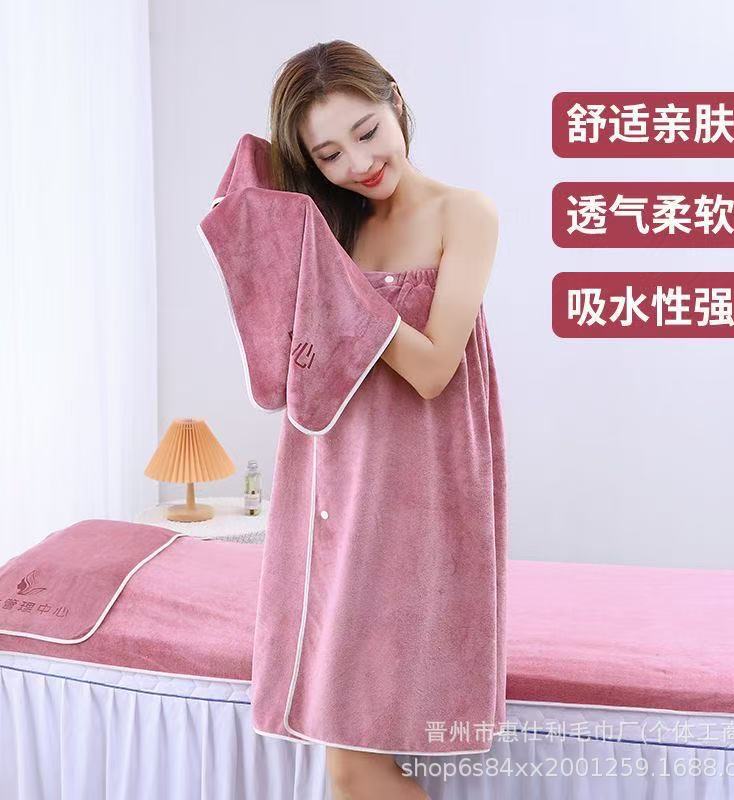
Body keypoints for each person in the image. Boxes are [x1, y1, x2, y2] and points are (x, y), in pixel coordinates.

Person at [262, 39, 507, 800]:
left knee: (353, 765)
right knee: (349, 760)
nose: (360, 163)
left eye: (367, 131)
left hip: (418, 494)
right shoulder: (333, 229)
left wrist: (336, 287)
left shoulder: (463, 213)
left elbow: (434, 369)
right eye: (329, 154)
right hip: (333, 482)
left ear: (395, 101)